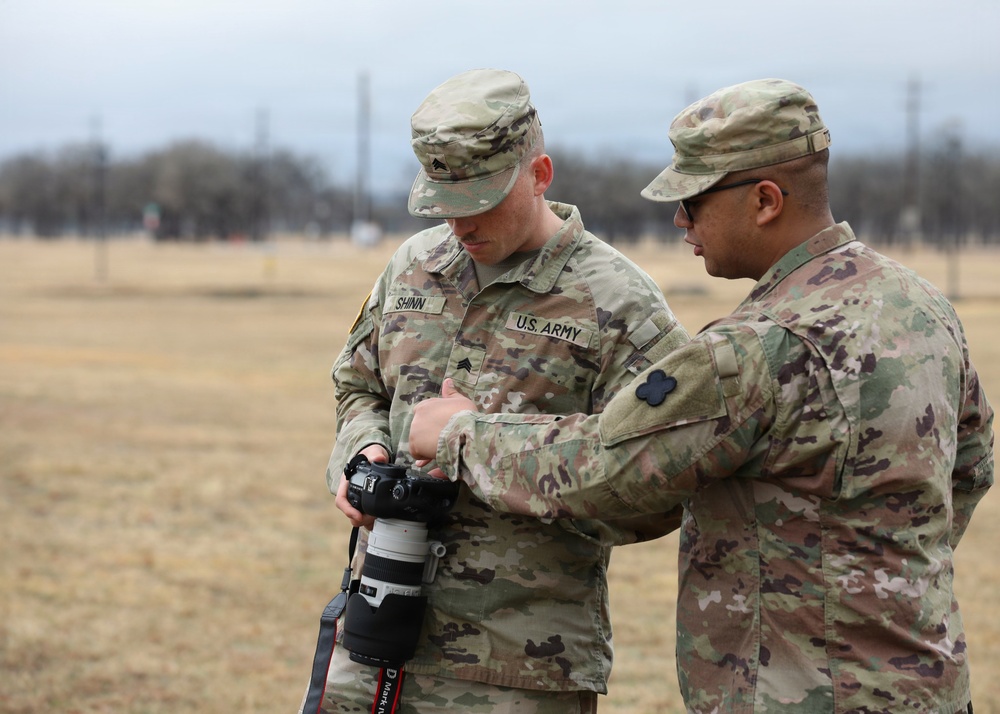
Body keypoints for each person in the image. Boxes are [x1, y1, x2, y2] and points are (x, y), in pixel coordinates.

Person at [409, 78, 995, 713]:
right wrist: (872, 571)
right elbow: (970, 465)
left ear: (766, 200)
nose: (679, 219)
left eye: (692, 200)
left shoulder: (756, 350)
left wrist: (460, 433)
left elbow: (610, 467)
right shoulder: (920, 306)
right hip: (923, 686)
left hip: (795, 695)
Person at [307, 68, 689, 713]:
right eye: (443, 204)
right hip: (377, 634)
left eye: (481, 201)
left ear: (539, 175)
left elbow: (660, 481)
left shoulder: (617, 303)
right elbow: (357, 384)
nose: (459, 224)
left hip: (516, 663)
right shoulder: (414, 266)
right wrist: (362, 455)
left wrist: (477, 444)